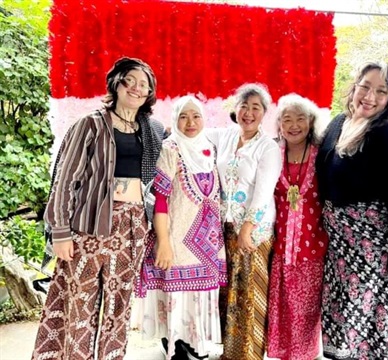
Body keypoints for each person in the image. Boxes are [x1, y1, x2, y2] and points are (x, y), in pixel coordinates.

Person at [32, 57, 164, 360]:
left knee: (119, 304)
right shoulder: (91, 124)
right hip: (89, 225)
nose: (136, 87)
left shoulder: (152, 130)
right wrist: (61, 232)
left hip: (133, 228)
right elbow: (65, 180)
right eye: (130, 80)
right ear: (117, 83)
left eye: (144, 84)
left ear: (149, 93)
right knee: (81, 301)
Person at [315, 61, 388, 359]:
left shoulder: (387, 136)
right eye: (365, 86)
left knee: (372, 335)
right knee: (344, 328)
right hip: (340, 252)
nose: (370, 96)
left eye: (382, 90)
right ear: (354, 87)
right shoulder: (338, 124)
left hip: (373, 256)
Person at [138, 95, 227, 360]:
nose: (190, 122)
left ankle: (193, 342)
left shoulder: (209, 148)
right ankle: (173, 343)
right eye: (183, 116)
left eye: (196, 116)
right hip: (176, 237)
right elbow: (161, 200)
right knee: (175, 293)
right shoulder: (170, 149)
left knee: (199, 295)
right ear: (175, 120)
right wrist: (163, 241)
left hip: (208, 243)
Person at [206, 83, 282, 360]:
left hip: (253, 231)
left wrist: (247, 229)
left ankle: (247, 355)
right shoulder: (224, 136)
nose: (248, 113)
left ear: (264, 114)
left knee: (248, 293)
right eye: (244, 106)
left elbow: (263, 192)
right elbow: (187, 133)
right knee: (229, 294)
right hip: (225, 227)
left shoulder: (268, 148)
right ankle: (230, 351)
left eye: (256, 108)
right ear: (235, 108)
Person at [267, 94, 329, 360]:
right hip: (280, 245)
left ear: (311, 121)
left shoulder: (322, 155)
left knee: (306, 306)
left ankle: (305, 354)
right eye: (287, 119)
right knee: (281, 304)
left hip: (312, 245)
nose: (294, 125)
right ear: (279, 124)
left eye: (300, 118)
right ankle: (282, 354)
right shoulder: (272, 153)